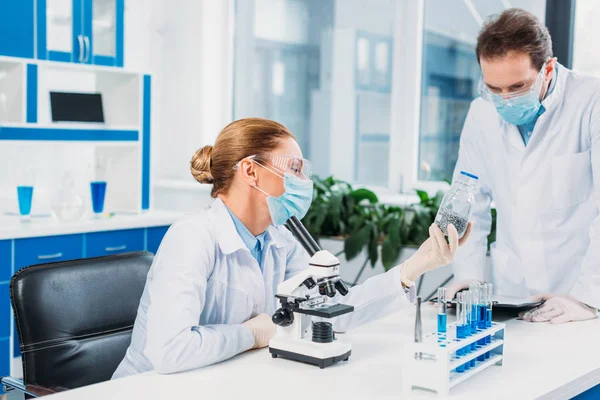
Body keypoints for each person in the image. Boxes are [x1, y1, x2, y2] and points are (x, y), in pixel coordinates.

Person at [112, 118, 472, 378]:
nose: (304, 182)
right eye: (295, 168)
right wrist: (251, 333)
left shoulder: (279, 238)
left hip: (217, 381)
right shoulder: (192, 236)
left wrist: (416, 267)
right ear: (250, 172)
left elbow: (334, 312)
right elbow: (169, 351)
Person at [447, 9, 599, 324]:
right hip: (514, 292)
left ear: (547, 69)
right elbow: (467, 201)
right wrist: (468, 277)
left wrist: (588, 297)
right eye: (494, 89)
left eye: (517, 88)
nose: (505, 101)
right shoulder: (481, 113)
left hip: (579, 295)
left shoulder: (591, 102)